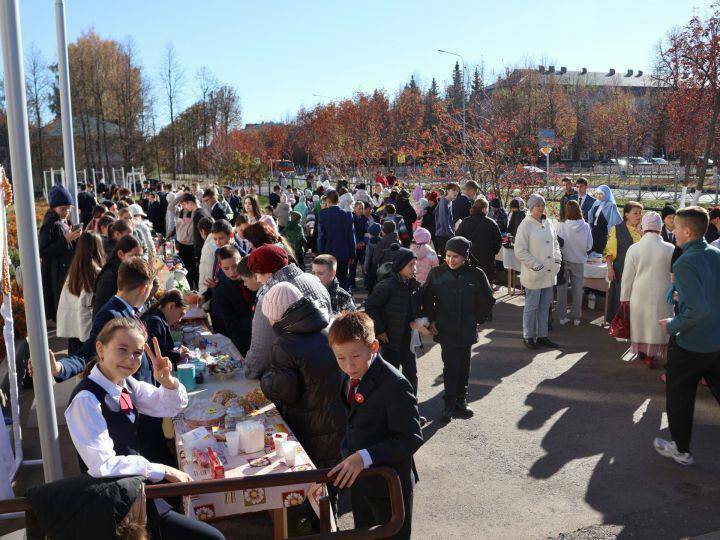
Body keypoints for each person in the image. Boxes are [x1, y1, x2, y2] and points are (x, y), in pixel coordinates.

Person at [64, 318, 224, 540]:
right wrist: (164, 470)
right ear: (100, 349)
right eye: (123, 349)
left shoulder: (125, 384)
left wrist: (166, 380)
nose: (131, 359)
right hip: (114, 508)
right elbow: (103, 466)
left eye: (138, 353)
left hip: (136, 494)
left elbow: (169, 405)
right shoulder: (86, 400)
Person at [327, 312, 423, 540]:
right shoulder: (349, 376)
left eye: (355, 356)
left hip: (390, 486)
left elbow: (410, 438)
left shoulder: (395, 384)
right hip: (362, 481)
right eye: (340, 358)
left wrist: (365, 456)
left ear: (374, 347)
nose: (349, 365)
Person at [654, 206, 720, 466]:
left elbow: (699, 310)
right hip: (716, 340)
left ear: (687, 231)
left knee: (679, 397)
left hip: (691, 343)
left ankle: (681, 449)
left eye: (676, 228)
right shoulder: (716, 254)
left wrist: (673, 324)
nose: (673, 231)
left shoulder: (684, 261)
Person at [260, 282, 345, 468]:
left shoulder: (284, 344)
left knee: (318, 481)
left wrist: (267, 380)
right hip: (339, 422)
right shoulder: (327, 328)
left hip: (310, 428)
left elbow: (285, 393)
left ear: (275, 317)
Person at [422, 236, 494, 421]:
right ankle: (448, 404)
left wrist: (478, 319)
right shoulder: (437, 273)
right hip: (445, 328)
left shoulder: (476, 274)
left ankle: (461, 402)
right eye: (448, 255)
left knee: (464, 366)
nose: (451, 260)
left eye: (455, 256)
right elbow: (428, 299)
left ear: (465, 257)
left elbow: (487, 300)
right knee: (450, 366)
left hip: (467, 329)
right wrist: (432, 320)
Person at [244, 244, 331, 379]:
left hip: (295, 376)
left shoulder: (270, 297)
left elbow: (261, 349)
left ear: (267, 272)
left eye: (257, 274)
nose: (257, 279)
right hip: (328, 362)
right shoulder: (312, 280)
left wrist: (250, 370)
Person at [619, 212, 675, 368]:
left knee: (641, 324)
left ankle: (645, 354)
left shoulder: (634, 248)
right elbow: (676, 275)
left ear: (643, 227)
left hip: (639, 293)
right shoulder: (670, 248)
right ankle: (656, 353)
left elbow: (627, 276)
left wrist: (624, 297)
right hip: (664, 294)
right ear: (660, 227)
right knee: (659, 325)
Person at [365, 246, 422, 396]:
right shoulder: (387, 285)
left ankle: (411, 408)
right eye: (411, 265)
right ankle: (392, 410)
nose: (414, 268)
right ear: (400, 266)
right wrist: (380, 329)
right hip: (390, 339)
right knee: (391, 375)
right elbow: (371, 306)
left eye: (415, 265)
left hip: (408, 340)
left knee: (411, 374)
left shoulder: (413, 285)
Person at [514, 194, 561, 350]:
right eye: (537, 205)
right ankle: (528, 335)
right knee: (531, 307)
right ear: (531, 207)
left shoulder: (548, 222)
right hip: (535, 274)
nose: (541, 207)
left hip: (549, 274)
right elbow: (520, 250)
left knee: (545, 307)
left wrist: (557, 261)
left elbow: (555, 244)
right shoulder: (525, 225)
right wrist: (536, 265)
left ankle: (542, 335)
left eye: (542, 204)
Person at [57, 232, 106, 354]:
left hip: (73, 329)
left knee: (75, 363)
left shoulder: (74, 270)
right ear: (98, 249)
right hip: (87, 332)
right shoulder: (95, 273)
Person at [40, 185, 81, 322]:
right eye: (63, 209)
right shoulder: (51, 224)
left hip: (64, 268)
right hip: (56, 270)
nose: (67, 211)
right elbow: (43, 250)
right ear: (53, 208)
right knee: (60, 299)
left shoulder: (63, 221)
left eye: (69, 208)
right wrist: (66, 240)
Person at [211, 246, 256, 355]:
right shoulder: (221, 291)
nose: (232, 272)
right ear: (220, 267)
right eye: (226, 268)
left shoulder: (255, 279)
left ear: (241, 260)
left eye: (235, 266)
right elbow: (229, 325)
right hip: (241, 344)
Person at [556, 200, 593, 326]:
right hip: (579, 261)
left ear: (566, 211)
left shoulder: (561, 225)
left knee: (562, 288)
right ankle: (576, 317)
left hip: (564, 260)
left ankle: (561, 316)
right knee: (578, 290)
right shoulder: (586, 226)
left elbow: (557, 244)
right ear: (579, 210)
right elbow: (589, 246)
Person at [604, 201, 643, 323]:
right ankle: (619, 325)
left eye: (640, 213)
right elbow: (609, 251)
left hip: (640, 271)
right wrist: (610, 269)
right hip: (621, 269)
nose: (639, 216)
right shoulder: (617, 229)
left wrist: (642, 233)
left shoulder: (643, 231)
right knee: (620, 297)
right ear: (626, 214)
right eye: (635, 213)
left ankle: (633, 325)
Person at [455, 197, 503, 284]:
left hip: (468, 258)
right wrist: (492, 252)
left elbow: (457, 239)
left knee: (469, 285)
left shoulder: (465, 222)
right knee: (486, 285)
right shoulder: (491, 223)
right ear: (484, 209)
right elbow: (498, 241)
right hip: (487, 259)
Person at [317, 190, 356, 291]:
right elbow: (351, 236)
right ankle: (345, 304)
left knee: (329, 282)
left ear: (328, 200)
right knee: (343, 281)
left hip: (328, 253)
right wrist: (352, 254)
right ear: (338, 200)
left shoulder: (323, 214)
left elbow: (321, 236)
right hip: (344, 253)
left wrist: (320, 253)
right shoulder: (347, 215)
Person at [93, 235, 143, 314]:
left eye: (140, 256)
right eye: (134, 256)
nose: (138, 260)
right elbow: (102, 312)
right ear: (120, 254)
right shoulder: (110, 278)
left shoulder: (127, 271)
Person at [142, 290, 189, 369]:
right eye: (181, 314)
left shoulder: (158, 319)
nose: (179, 320)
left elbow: (161, 348)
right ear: (171, 306)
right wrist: (178, 354)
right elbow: (156, 353)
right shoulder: (155, 321)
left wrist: (176, 351)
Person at [588, 185, 622, 254]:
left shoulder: (611, 205)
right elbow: (590, 214)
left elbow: (615, 220)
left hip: (603, 234)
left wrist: (610, 233)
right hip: (594, 232)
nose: (598, 196)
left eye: (601, 194)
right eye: (597, 194)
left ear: (606, 194)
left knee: (601, 252)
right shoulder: (596, 203)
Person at [434, 184, 458, 257]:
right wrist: (453, 236)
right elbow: (444, 223)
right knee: (446, 261)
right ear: (447, 190)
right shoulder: (444, 202)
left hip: (446, 235)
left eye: (457, 191)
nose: (456, 192)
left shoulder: (449, 201)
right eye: (453, 190)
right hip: (443, 236)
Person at [350, 202, 368, 289]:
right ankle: (352, 284)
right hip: (353, 246)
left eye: (362, 208)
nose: (361, 210)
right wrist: (356, 243)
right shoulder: (350, 218)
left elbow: (367, 232)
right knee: (352, 266)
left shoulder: (365, 219)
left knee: (364, 264)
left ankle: (367, 284)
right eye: (359, 208)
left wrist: (364, 242)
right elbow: (350, 233)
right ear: (354, 208)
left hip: (362, 246)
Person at [363, 222, 383, 292]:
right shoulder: (382, 240)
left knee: (371, 285)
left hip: (372, 266)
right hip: (380, 265)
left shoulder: (370, 243)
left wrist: (365, 268)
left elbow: (368, 257)